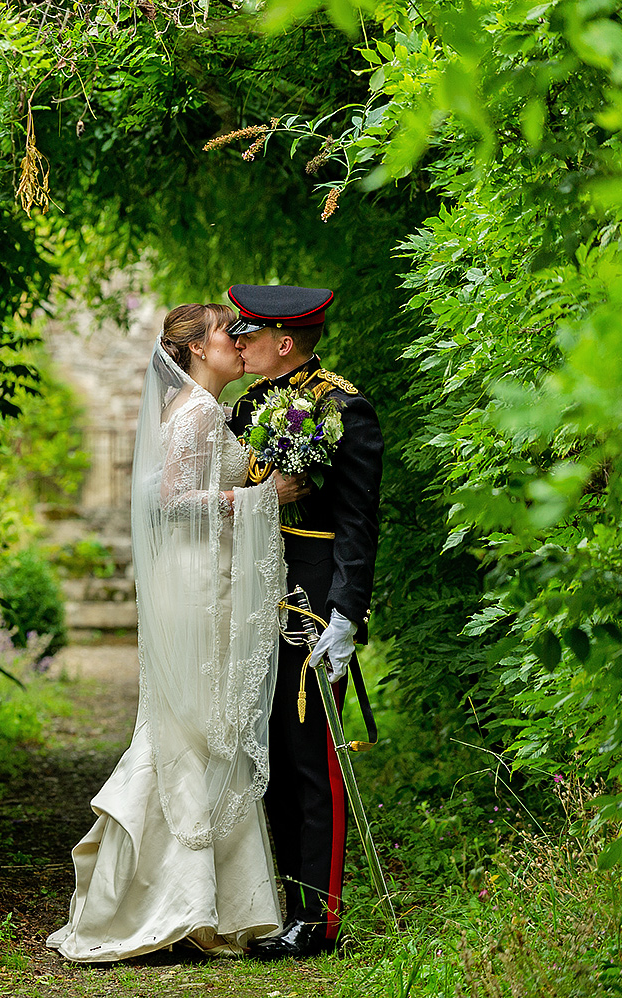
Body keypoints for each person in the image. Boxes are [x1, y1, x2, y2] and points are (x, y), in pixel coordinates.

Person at [46, 303, 308, 962]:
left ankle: (209, 905)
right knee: (192, 724)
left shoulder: (210, 412)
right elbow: (166, 504)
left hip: (212, 577)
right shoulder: (191, 414)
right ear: (194, 349)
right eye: (228, 333)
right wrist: (258, 499)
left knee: (212, 725)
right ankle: (171, 902)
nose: (240, 341)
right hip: (193, 584)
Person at [223, 284, 384, 959]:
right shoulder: (249, 407)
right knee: (269, 755)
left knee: (309, 755)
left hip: (310, 601)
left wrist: (345, 614)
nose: (237, 342)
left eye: (247, 334)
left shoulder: (346, 410)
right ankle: (286, 902)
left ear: (282, 343)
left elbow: (357, 523)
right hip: (252, 593)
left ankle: (318, 919)